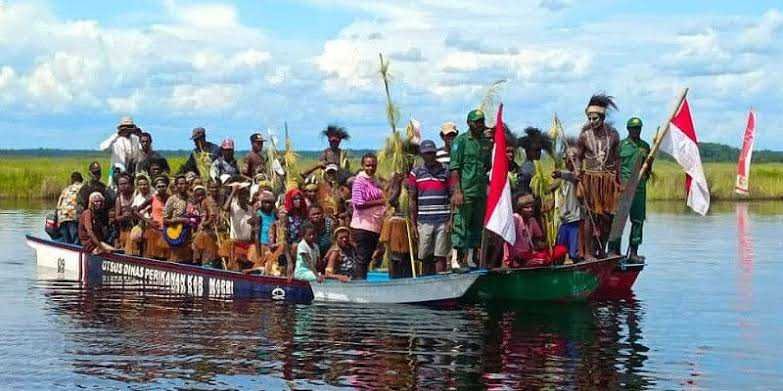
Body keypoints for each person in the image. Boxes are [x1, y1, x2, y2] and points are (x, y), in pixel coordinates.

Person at [576, 94, 621, 259]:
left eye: (595, 118)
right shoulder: (584, 136)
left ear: (602, 118)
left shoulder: (613, 135)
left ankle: (601, 249)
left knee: (608, 217)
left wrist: (618, 182)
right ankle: (588, 252)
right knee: (590, 216)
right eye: (589, 118)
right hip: (590, 180)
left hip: (608, 180)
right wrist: (578, 175)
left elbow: (617, 160)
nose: (592, 121)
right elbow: (578, 158)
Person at [449, 109, 492, 268]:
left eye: (482, 121)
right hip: (465, 191)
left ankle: (471, 259)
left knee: (476, 225)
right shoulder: (460, 141)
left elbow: (488, 165)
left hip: (480, 191)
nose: (480, 124)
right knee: (461, 224)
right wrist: (457, 191)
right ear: (469, 123)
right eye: (477, 121)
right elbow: (454, 168)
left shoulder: (486, 143)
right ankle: (455, 259)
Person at [608, 117, 652, 261]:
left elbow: (648, 169)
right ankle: (614, 251)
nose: (636, 130)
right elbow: (615, 167)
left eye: (638, 128)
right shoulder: (621, 146)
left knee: (638, 221)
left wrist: (649, 163)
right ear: (628, 129)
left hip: (639, 188)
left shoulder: (645, 146)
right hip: (623, 188)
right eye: (633, 128)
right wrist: (618, 184)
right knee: (619, 220)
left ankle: (633, 252)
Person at [408, 140, 451, 275]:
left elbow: (452, 195)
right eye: (427, 154)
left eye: (432, 153)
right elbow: (412, 199)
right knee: (425, 254)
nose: (430, 156)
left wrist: (451, 220)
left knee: (440, 254)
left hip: (443, 219)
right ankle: (426, 280)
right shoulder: (416, 173)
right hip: (424, 219)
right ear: (422, 155)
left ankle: (440, 282)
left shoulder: (445, 171)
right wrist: (413, 224)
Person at [350, 153, 386, 280]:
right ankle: (359, 286)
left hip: (374, 226)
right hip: (363, 226)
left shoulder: (374, 181)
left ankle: (361, 282)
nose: (370, 168)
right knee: (362, 258)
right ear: (362, 165)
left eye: (373, 165)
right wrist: (380, 202)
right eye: (368, 165)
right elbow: (358, 203)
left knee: (366, 258)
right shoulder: (359, 181)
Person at [504, 194, 567, 267]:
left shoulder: (532, 220)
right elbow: (507, 240)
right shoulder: (515, 218)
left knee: (561, 249)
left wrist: (544, 244)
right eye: (527, 208)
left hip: (529, 253)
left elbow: (538, 240)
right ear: (520, 209)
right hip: (518, 257)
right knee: (543, 259)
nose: (530, 209)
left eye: (532, 207)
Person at [552, 145, 583, 262]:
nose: (568, 161)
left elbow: (572, 176)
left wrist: (560, 174)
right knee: (559, 251)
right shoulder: (563, 178)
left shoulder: (578, 175)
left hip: (574, 220)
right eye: (566, 158)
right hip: (563, 220)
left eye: (572, 159)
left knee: (573, 253)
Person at [223, 182, 255, 270]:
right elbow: (225, 208)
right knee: (236, 266)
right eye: (241, 195)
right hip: (236, 243)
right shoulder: (233, 207)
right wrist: (233, 192)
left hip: (248, 243)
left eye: (245, 195)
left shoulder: (250, 209)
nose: (243, 197)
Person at [163, 175, 193, 262]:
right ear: (176, 186)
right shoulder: (172, 199)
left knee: (187, 260)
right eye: (180, 184)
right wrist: (180, 220)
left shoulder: (191, 198)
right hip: (175, 232)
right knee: (176, 260)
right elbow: (165, 220)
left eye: (185, 183)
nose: (183, 186)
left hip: (188, 234)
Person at [517, 127, 554, 195]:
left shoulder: (536, 166)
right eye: (535, 150)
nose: (538, 153)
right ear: (527, 151)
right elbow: (524, 194)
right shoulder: (527, 168)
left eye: (539, 150)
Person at [142, 176, 170, 259]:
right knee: (153, 256)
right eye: (159, 186)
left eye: (163, 186)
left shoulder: (171, 198)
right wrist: (148, 221)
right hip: (154, 230)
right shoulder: (152, 198)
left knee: (166, 257)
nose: (161, 188)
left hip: (167, 230)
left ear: (166, 187)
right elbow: (135, 210)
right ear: (155, 187)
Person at [190, 185, 218, 266]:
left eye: (202, 195)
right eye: (198, 195)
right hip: (200, 232)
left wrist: (206, 223)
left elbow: (210, 216)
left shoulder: (205, 202)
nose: (200, 197)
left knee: (208, 257)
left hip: (207, 233)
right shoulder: (195, 206)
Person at [127, 173, 153, 256]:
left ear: (148, 185)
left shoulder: (153, 195)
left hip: (152, 225)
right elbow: (134, 211)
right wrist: (145, 219)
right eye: (140, 185)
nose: (143, 187)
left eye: (145, 184)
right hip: (141, 224)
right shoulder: (137, 197)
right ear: (137, 186)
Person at [55, 172, 83, 244]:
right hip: (73, 217)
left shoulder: (66, 189)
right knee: (75, 240)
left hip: (62, 217)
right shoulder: (82, 188)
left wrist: (57, 220)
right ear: (81, 179)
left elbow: (58, 206)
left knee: (66, 242)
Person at [308, 204, 334, 269]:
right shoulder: (307, 225)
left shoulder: (329, 222)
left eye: (318, 213)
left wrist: (325, 258)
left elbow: (335, 242)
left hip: (327, 251)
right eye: (313, 214)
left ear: (323, 214)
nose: (316, 216)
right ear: (309, 216)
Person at [113, 173, 135, 250]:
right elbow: (117, 217)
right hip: (124, 229)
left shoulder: (136, 195)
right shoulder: (119, 199)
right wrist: (124, 216)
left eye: (125, 183)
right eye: (121, 184)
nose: (123, 186)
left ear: (130, 184)